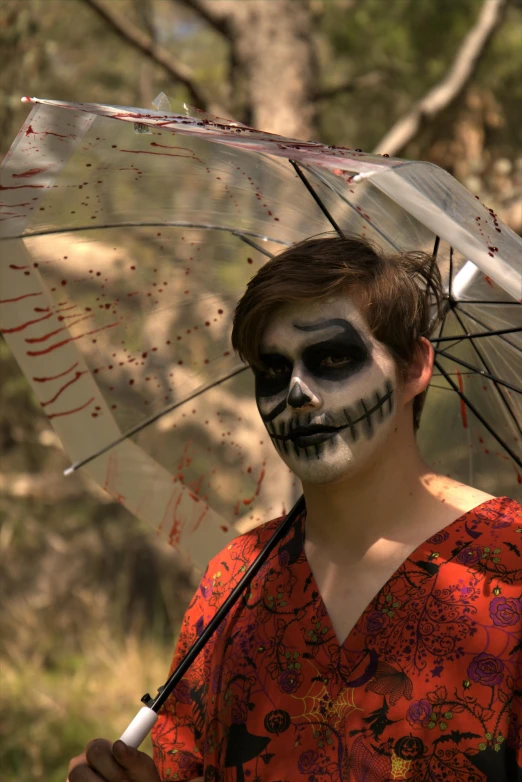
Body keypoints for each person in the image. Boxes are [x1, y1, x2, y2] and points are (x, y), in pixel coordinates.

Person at [68, 235, 522, 782]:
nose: (297, 393)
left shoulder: (508, 566)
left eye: (333, 357)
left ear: (413, 368)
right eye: (273, 370)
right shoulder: (233, 581)